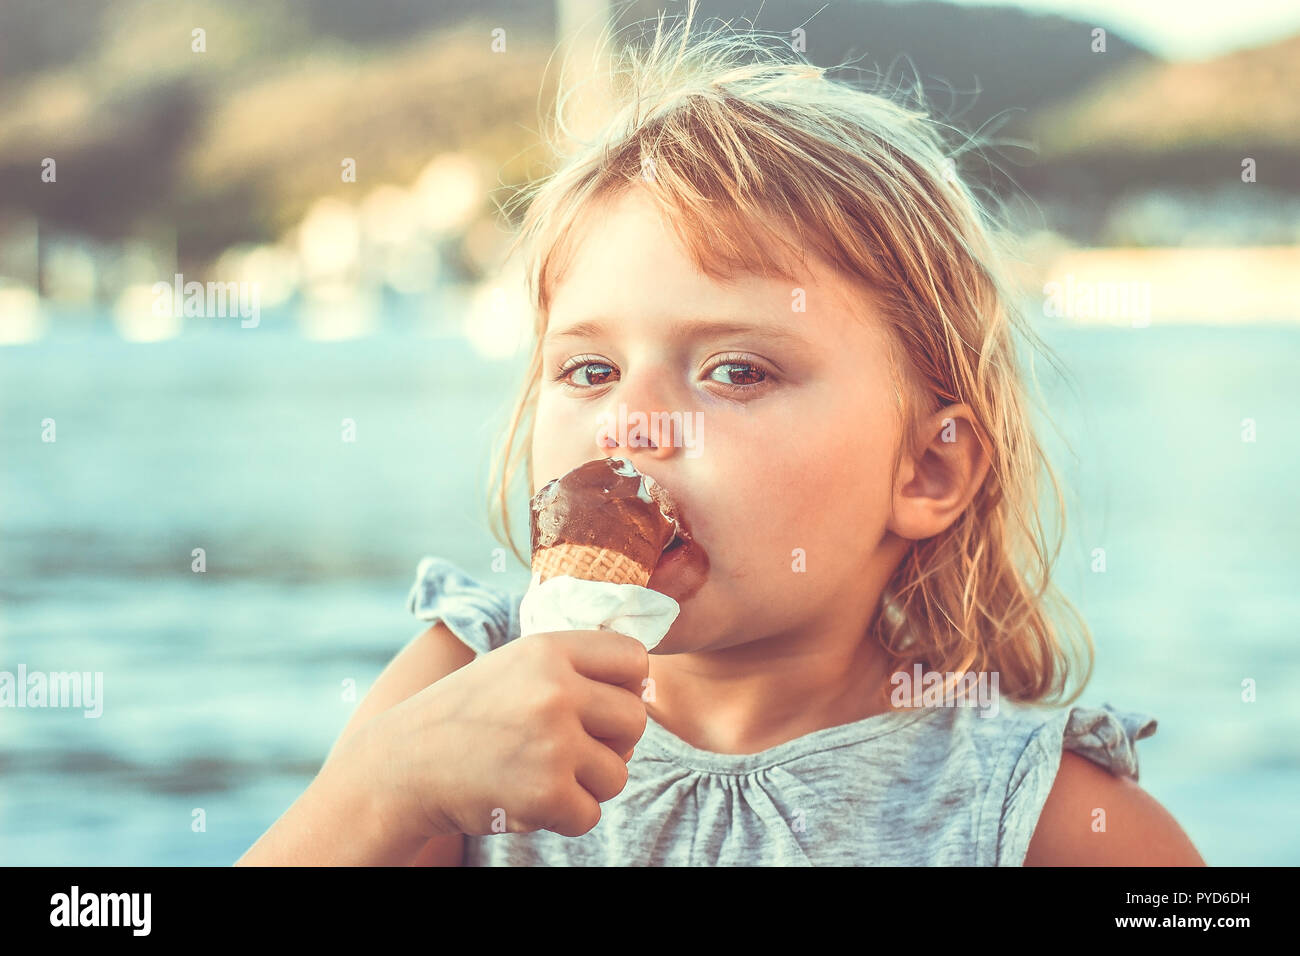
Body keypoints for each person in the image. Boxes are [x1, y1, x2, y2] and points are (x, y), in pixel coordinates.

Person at [237, 0, 1205, 867]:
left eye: (736, 371)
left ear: (926, 467)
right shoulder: (463, 693)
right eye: (589, 370)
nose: (630, 423)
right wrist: (378, 792)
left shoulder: (1031, 815)